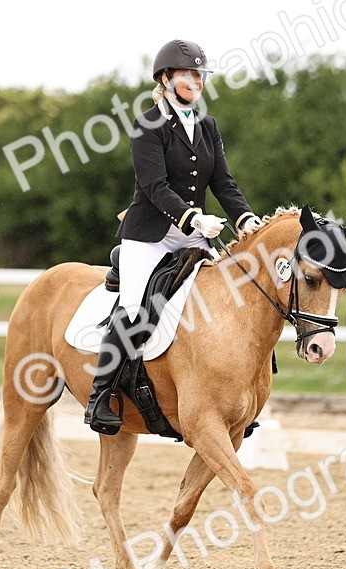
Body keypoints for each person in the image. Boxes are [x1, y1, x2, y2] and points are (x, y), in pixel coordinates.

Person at [83, 39, 263, 434]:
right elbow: (154, 185)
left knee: (232, 297)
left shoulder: (207, 125)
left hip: (193, 235)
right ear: (166, 78)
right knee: (133, 307)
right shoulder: (147, 124)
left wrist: (245, 218)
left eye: (200, 75)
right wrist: (193, 218)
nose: (196, 81)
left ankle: (232, 396)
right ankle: (102, 395)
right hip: (150, 236)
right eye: (189, 75)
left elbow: (223, 181)